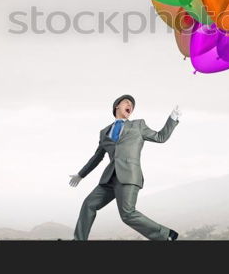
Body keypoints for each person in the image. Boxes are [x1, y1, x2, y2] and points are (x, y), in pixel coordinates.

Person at [69, 94, 181, 240]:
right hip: (109, 179)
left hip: (129, 176)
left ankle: (166, 234)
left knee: (127, 214)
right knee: (89, 204)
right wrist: (81, 174)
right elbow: (97, 157)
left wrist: (173, 118)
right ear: (117, 106)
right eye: (127, 102)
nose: (130, 106)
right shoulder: (104, 132)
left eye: (132, 105)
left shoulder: (138, 125)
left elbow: (161, 137)